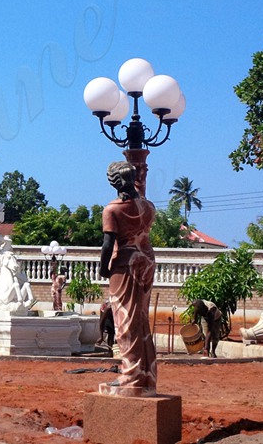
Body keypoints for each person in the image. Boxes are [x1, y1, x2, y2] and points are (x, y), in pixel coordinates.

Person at [99, 161, 157, 397]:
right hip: (147, 260)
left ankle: (131, 376)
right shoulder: (149, 206)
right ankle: (147, 375)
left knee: (125, 323)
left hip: (125, 263)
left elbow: (107, 244)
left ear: (113, 182)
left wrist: (103, 268)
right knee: (141, 320)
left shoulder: (113, 210)